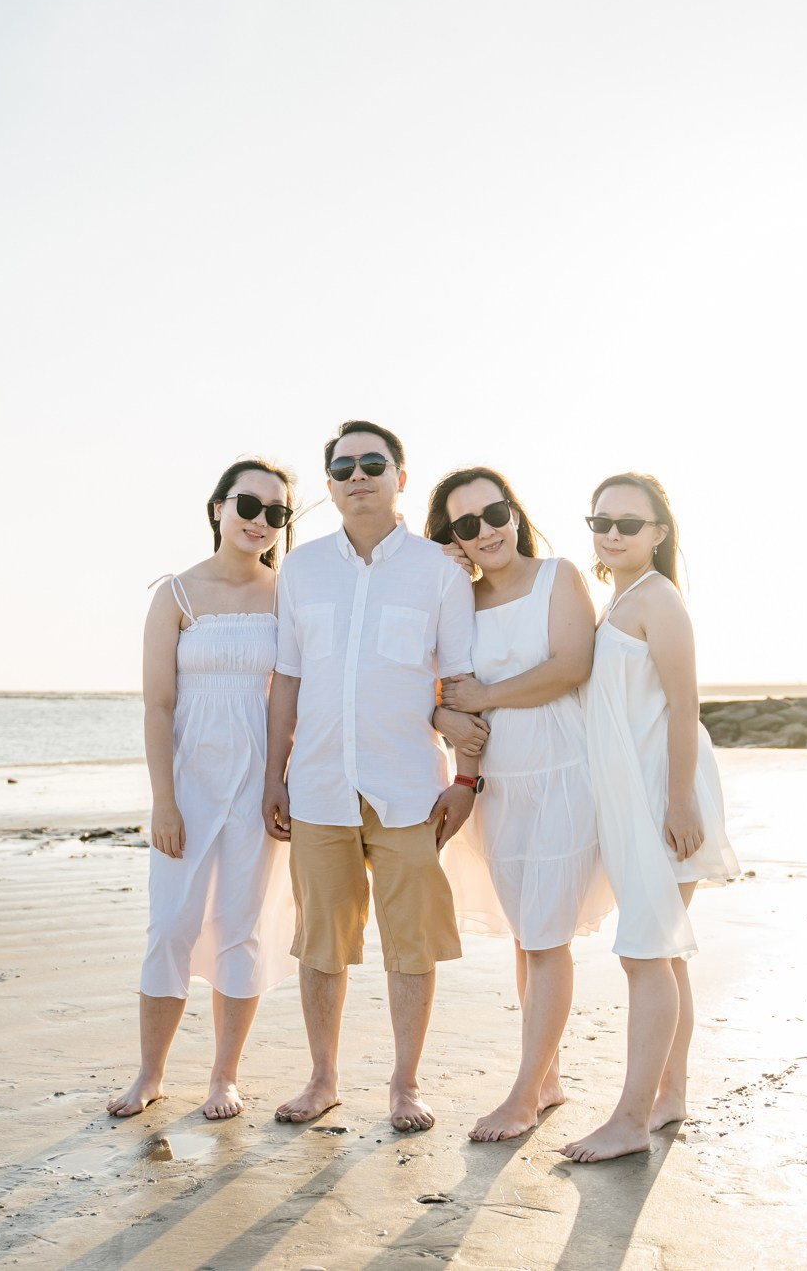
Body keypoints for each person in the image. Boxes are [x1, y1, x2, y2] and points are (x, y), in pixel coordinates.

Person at [263, 420, 478, 1133]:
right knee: (321, 942)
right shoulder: (301, 569)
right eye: (344, 465)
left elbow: (462, 682)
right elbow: (287, 680)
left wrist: (467, 777)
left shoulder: (441, 571)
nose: (358, 474)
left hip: (411, 788)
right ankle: (322, 1078)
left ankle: (405, 1084)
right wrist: (275, 774)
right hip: (319, 784)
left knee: (411, 941)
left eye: (373, 462)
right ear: (328, 484)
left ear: (400, 477)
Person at [109, 458, 299, 1121]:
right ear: (219, 505)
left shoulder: (287, 594)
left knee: (240, 929)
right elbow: (158, 705)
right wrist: (163, 799)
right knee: (169, 927)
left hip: (258, 785)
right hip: (189, 785)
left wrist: (279, 782)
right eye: (249, 504)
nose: (260, 521)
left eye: (277, 512)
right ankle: (150, 1073)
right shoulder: (177, 594)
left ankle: (224, 1076)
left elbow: (294, 699)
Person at [560, 472, 742, 1164]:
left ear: (658, 533)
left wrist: (679, 801)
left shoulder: (659, 600)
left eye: (628, 523)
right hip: (638, 792)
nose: (611, 533)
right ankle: (670, 1096)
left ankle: (632, 1118)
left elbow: (684, 704)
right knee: (662, 953)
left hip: (666, 792)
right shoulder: (621, 598)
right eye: (600, 520)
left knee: (645, 952)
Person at [428, 467, 614, 1143]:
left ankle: (524, 1094)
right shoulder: (456, 600)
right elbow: (437, 686)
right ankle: (551, 1074)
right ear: (453, 538)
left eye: (495, 513)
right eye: (466, 525)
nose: (487, 531)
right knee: (525, 934)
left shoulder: (560, 575)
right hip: (501, 785)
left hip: (566, 773)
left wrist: (485, 697)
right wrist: (440, 572)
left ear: (515, 512)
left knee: (544, 936)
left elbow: (572, 665)